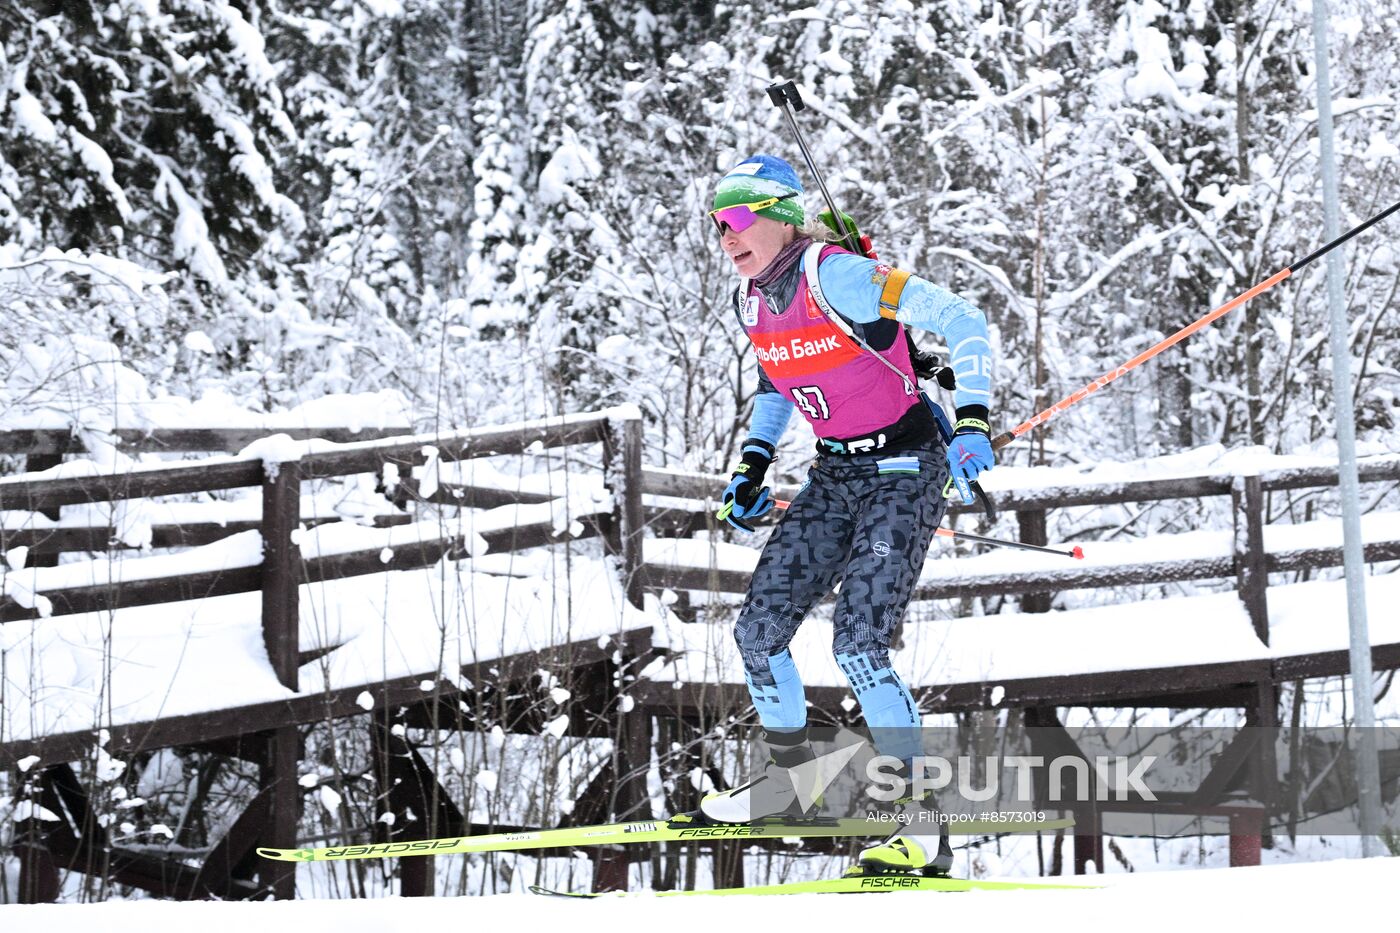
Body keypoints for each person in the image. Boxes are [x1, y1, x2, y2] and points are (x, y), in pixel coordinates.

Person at [698, 154, 995, 876]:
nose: (727, 238)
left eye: (739, 221)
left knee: (859, 645)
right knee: (757, 630)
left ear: (780, 217)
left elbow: (961, 316)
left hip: (904, 466)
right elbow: (778, 377)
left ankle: (922, 827)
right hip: (835, 471)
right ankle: (784, 782)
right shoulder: (751, 300)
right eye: (717, 226)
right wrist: (754, 463)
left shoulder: (836, 274)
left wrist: (975, 420)